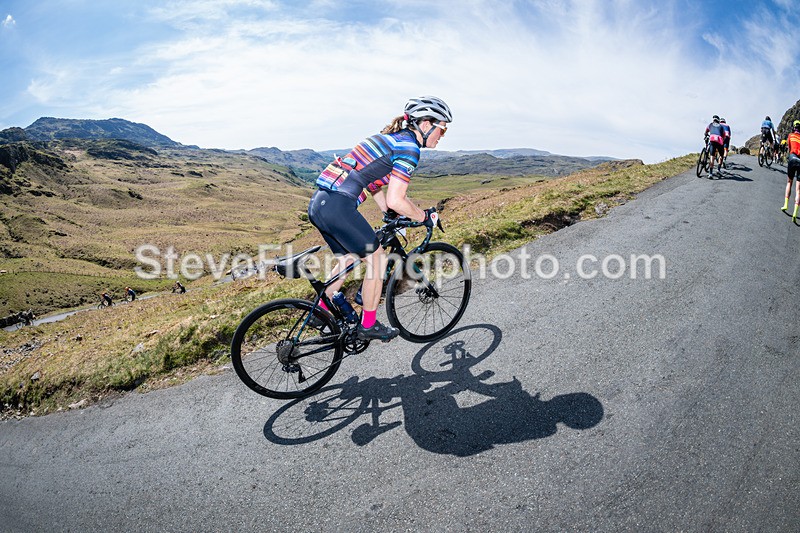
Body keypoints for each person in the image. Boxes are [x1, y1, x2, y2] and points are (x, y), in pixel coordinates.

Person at [307, 95, 452, 341]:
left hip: (320, 203)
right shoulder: (409, 148)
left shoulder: (389, 140)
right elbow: (398, 199)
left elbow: (373, 184)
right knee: (378, 260)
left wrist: (388, 212)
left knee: (350, 256)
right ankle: (368, 324)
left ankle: (319, 311)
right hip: (338, 205)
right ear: (426, 125)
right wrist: (424, 217)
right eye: (442, 129)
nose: (442, 135)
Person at [782, 120, 800, 221]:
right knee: (798, 189)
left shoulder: (790, 135)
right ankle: (795, 212)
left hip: (792, 158)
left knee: (789, 182)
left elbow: (789, 148)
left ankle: (785, 205)